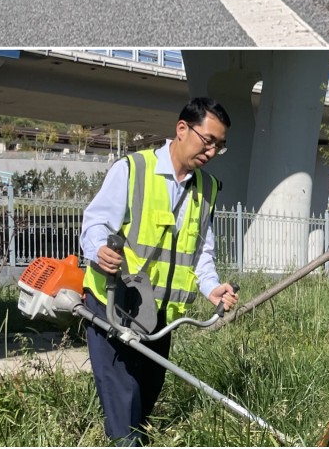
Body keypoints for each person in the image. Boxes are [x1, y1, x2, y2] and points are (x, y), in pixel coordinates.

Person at [80, 98, 238, 446]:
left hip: (160, 318)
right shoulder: (133, 169)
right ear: (182, 129)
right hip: (114, 307)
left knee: (143, 404)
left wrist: (211, 287)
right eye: (207, 140)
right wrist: (99, 252)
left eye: (219, 146)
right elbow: (96, 222)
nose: (211, 152)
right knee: (124, 408)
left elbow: (201, 252)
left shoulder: (206, 189)